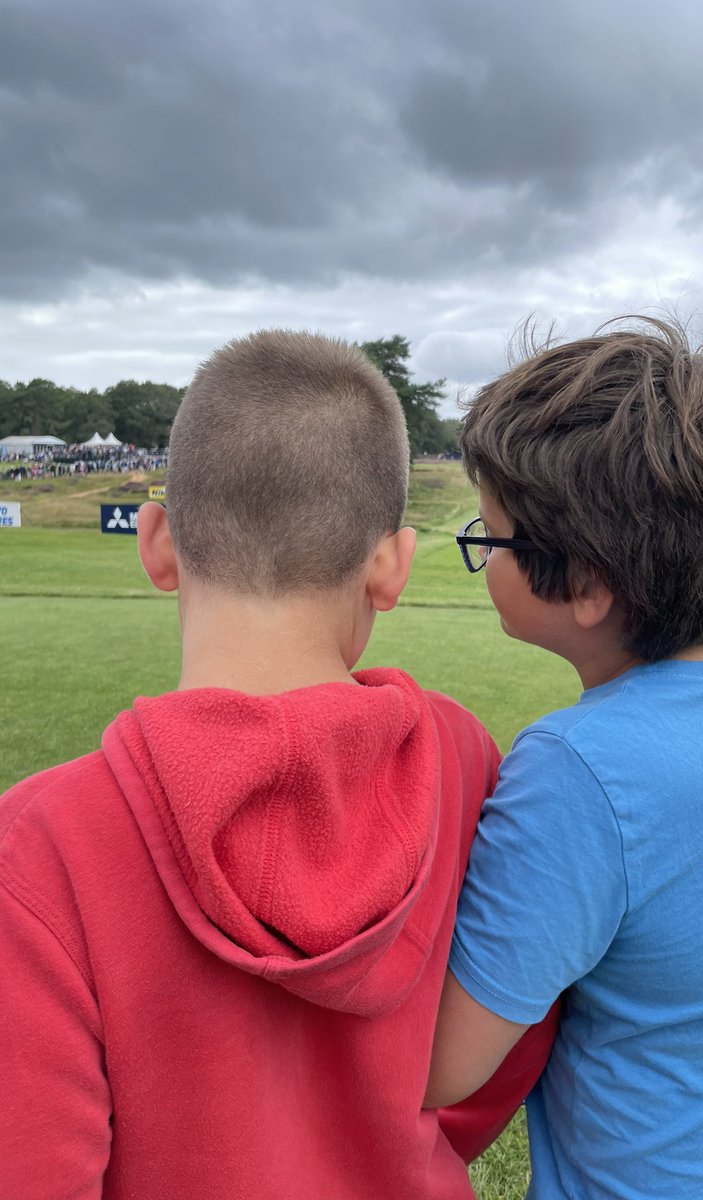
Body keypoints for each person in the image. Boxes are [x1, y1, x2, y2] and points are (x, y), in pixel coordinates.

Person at [0, 330, 553, 1200]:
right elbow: (504, 1046)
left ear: (156, 543)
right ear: (390, 566)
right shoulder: (465, 759)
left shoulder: (38, 847)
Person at [426, 319, 703, 1199]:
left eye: (491, 541)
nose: (482, 563)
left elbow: (445, 1065)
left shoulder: (577, 768)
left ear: (590, 586)